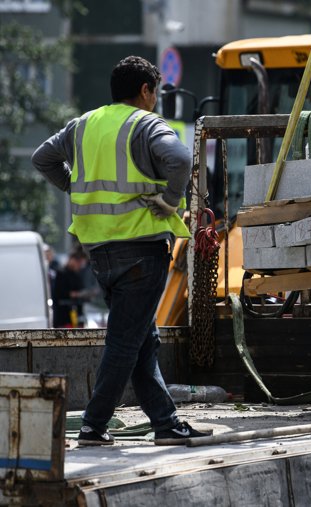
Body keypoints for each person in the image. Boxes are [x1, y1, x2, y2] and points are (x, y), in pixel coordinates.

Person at [31, 55, 210, 446]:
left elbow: (42, 158)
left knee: (143, 340)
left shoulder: (83, 125)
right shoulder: (144, 124)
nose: (156, 101)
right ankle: (95, 425)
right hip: (140, 250)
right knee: (126, 343)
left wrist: (73, 187)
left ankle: (165, 423)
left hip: (99, 252)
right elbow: (180, 159)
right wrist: (170, 200)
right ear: (145, 91)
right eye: (156, 93)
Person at [52, 248, 88, 327]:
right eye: (79, 263)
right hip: (64, 317)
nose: (80, 266)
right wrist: (76, 294)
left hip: (77, 316)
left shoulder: (77, 275)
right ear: (72, 260)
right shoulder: (61, 273)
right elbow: (59, 293)